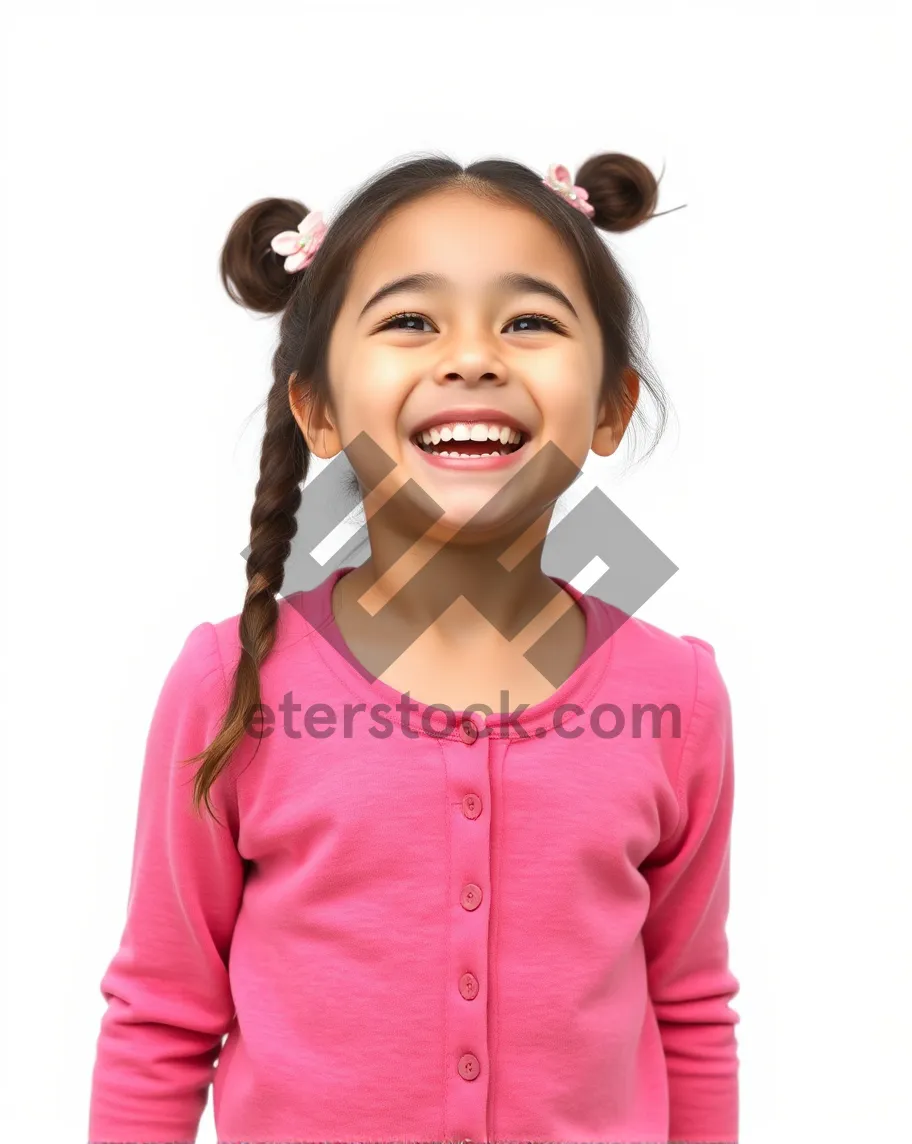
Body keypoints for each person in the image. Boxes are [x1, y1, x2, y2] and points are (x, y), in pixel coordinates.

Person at [87, 152, 740, 1144]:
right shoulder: (231, 685)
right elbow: (162, 1020)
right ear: (316, 408)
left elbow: (686, 1005)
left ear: (609, 405)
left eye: (529, 321)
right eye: (409, 321)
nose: (471, 358)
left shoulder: (677, 697)